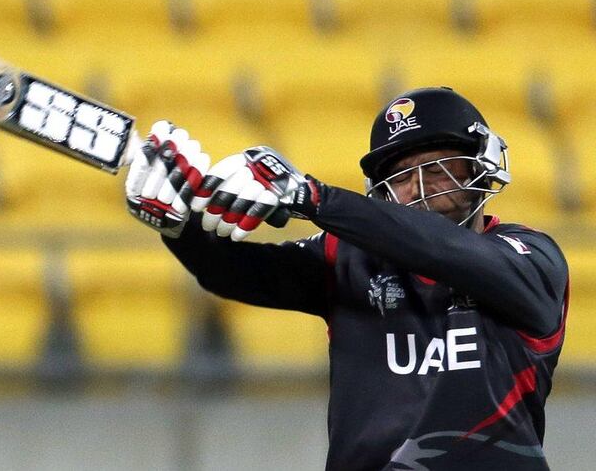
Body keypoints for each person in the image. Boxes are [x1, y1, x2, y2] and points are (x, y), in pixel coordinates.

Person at [124, 87, 569, 470]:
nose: (417, 187)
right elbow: (233, 272)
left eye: (437, 169)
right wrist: (179, 227)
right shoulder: (351, 257)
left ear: (480, 169)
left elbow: (453, 253)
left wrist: (313, 196)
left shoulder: (533, 259)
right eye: (398, 175)